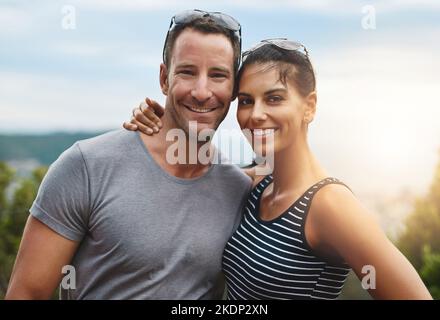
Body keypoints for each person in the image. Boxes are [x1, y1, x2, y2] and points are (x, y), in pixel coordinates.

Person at [125, 39, 432, 299]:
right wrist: (164, 123)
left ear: (309, 106)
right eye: (246, 101)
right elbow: (198, 169)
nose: (256, 115)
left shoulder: (330, 205)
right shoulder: (256, 183)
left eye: (274, 98)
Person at [6, 9, 252, 300]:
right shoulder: (86, 167)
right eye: (187, 72)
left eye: (218, 75)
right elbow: (27, 294)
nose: (201, 91)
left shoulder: (239, 190)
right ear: (164, 78)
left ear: (234, 89)